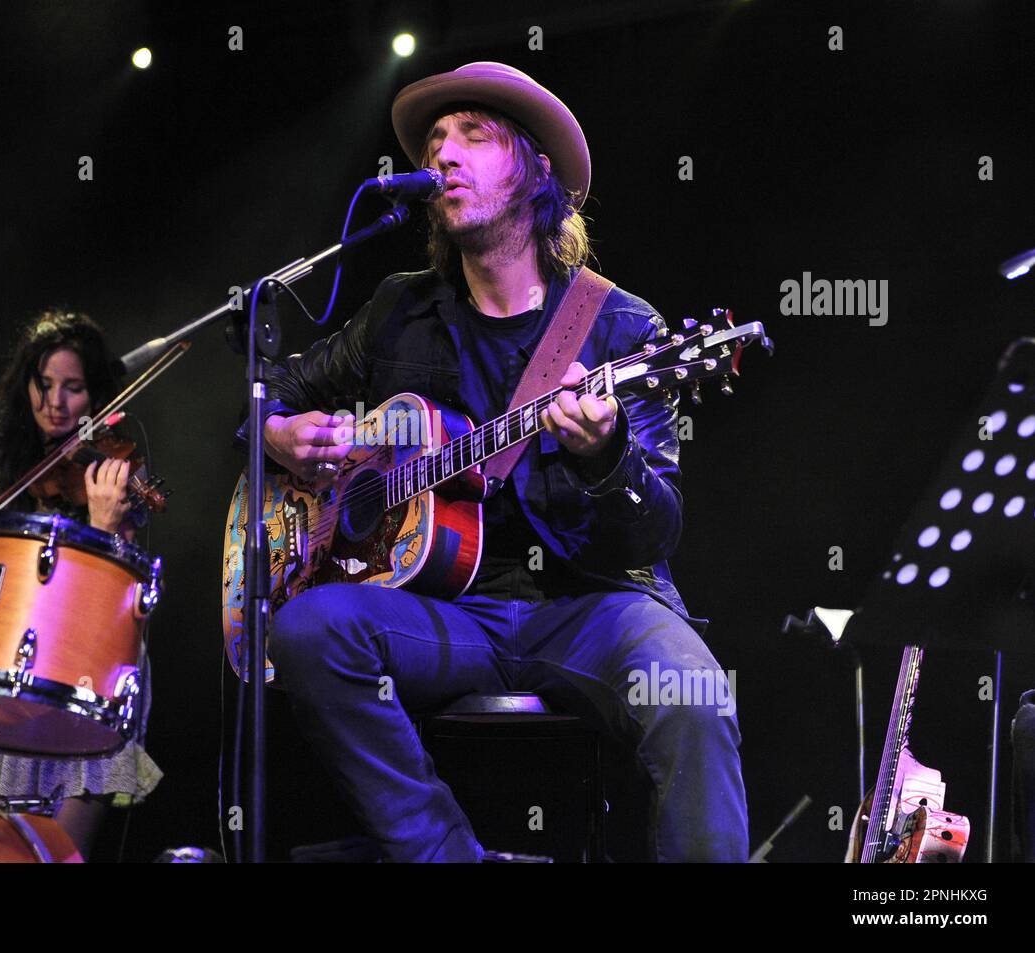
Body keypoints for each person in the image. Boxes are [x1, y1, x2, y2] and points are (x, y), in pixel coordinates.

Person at [254, 63, 748, 861]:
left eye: (474, 135)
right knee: (309, 628)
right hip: (448, 613)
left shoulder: (621, 325)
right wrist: (275, 431)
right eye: (436, 139)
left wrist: (605, 454)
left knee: (695, 695)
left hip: (588, 608)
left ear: (537, 171)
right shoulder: (398, 310)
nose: (444, 153)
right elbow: (267, 388)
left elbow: (657, 531)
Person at [0, 310, 163, 858]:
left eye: (74, 388)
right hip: (15, 664)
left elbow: (121, 602)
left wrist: (105, 528)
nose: (55, 401)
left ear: (96, 396)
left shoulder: (112, 470)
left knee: (57, 853)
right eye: (44, 384)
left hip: (89, 669)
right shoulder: (16, 471)